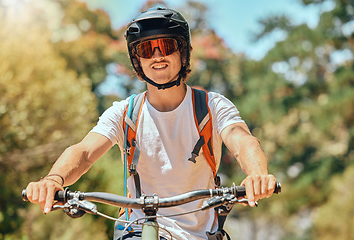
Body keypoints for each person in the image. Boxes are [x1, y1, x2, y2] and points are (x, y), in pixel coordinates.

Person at [25, 7, 277, 240]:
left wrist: (257, 175)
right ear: (137, 61)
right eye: (146, 50)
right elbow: (84, 152)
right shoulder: (125, 112)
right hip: (136, 231)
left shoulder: (212, 106)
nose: (157, 56)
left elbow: (242, 140)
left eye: (166, 46)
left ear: (183, 52)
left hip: (200, 235)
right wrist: (53, 180)